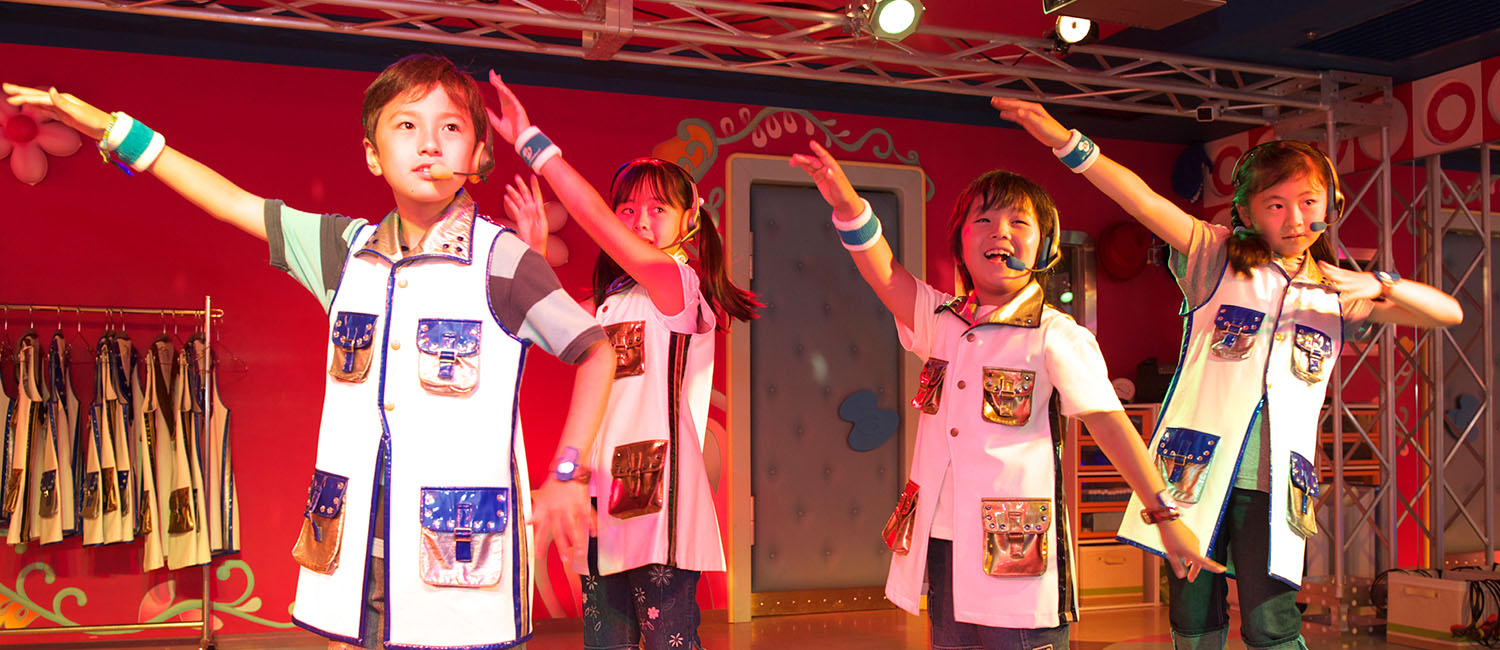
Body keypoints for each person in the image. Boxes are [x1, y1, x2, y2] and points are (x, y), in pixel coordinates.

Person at [3, 54, 616, 650]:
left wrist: (568, 474)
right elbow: (230, 201)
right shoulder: (342, 250)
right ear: (373, 155)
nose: (429, 144)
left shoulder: (503, 262)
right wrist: (115, 131)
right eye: (406, 126)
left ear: (478, 155)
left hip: (457, 562)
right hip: (353, 563)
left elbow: (595, 352)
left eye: (451, 128)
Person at [993, 97, 1463, 650]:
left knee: (1272, 625)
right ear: (1245, 212)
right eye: (1275, 204)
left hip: (1276, 485)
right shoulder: (1215, 256)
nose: (1293, 219)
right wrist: (1065, 141)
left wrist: (1382, 285)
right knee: (1194, 622)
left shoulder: (1339, 290)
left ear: (1330, 206)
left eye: (1307, 202)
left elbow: (1448, 313)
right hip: (1188, 479)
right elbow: (1140, 200)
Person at [789, 139, 1222, 650]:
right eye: (985, 221)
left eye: (1020, 223)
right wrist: (847, 206)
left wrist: (1165, 514)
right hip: (945, 545)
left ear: (1044, 246)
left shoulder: (1055, 333)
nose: (1002, 233)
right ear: (960, 244)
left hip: (1017, 553)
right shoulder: (940, 320)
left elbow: (1111, 425)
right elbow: (882, 271)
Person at [484, 74, 759, 650]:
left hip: (658, 502)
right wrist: (532, 256)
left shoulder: (679, 285)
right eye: (627, 207)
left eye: (658, 208)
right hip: (597, 499)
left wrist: (534, 144)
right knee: (604, 639)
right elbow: (542, 323)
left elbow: (599, 226)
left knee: (668, 639)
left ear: (690, 221)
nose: (637, 219)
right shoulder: (609, 303)